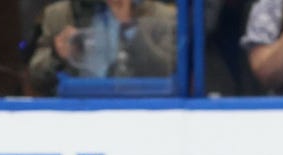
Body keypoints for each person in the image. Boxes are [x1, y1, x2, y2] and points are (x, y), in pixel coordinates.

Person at [27, 0, 177, 96]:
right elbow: (36, 79)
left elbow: (169, 73)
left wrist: (133, 30)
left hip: (143, 113)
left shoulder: (163, 16)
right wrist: (56, 55)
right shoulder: (59, 15)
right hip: (79, 113)